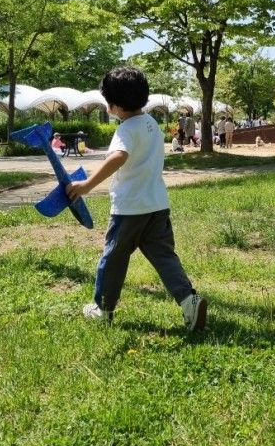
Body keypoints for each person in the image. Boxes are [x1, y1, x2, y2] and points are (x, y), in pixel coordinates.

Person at [65, 66, 206, 330]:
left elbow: (119, 157)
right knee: (165, 257)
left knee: (114, 258)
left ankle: (103, 308)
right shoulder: (151, 124)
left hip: (129, 210)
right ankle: (189, 300)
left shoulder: (126, 130)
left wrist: (87, 184)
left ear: (115, 105)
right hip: (157, 206)